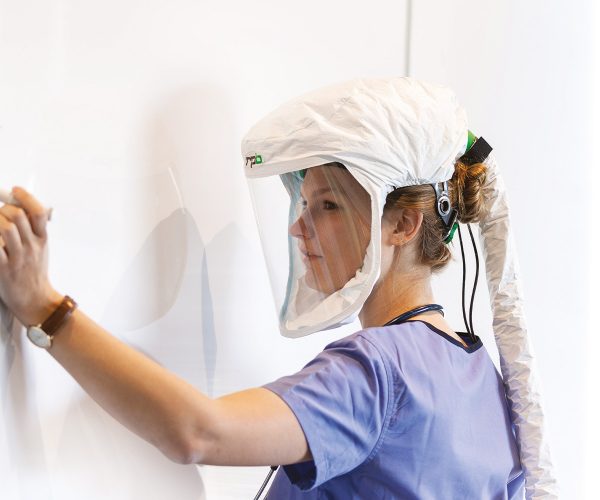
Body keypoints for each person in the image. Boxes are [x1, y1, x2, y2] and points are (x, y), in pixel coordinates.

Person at [0, 77, 552, 498]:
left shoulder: (380, 372)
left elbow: (198, 433)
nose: (297, 226)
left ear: (403, 225)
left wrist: (44, 307)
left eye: (328, 205)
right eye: (301, 202)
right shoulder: (483, 379)